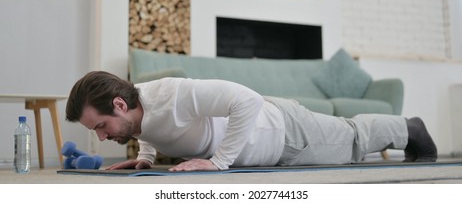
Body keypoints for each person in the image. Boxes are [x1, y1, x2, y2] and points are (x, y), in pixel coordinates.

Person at [65, 71, 438, 171]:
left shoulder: (175, 93)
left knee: (353, 142)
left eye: (100, 126)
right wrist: (145, 156)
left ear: (118, 104)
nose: (101, 137)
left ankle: (412, 129)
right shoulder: (137, 104)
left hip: (286, 134)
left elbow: (246, 99)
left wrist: (217, 162)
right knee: (351, 140)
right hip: (272, 144)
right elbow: (153, 126)